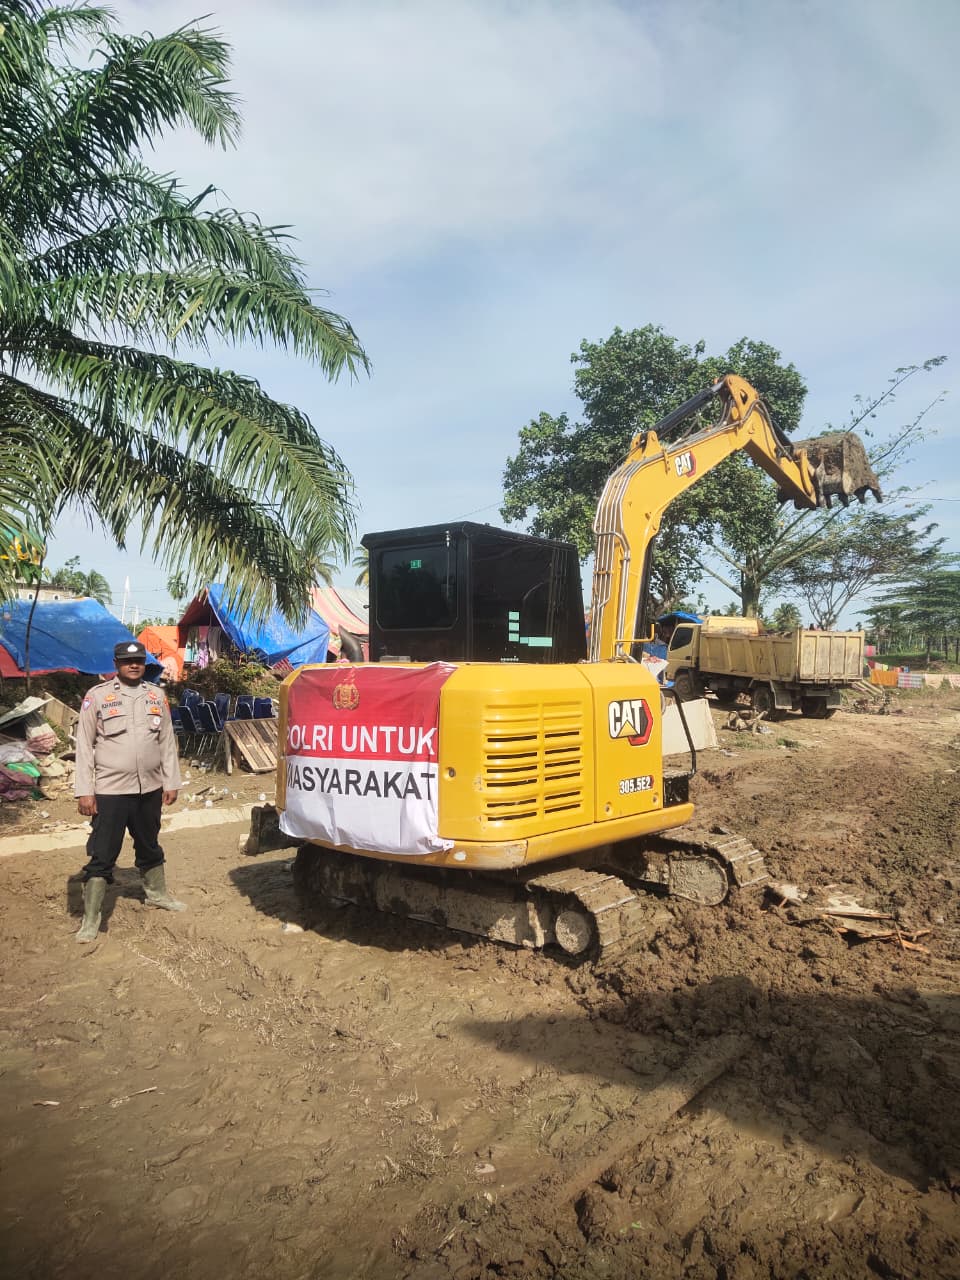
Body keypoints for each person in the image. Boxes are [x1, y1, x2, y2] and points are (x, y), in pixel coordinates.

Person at [74, 640, 186, 942]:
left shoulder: (156, 695)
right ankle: (91, 919)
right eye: (127, 661)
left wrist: (171, 781)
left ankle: (156, 894)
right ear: (116, 664)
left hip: (149, 788)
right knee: (102, 853)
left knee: (149, 843)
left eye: (138, 661)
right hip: (110, 790)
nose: (133, 665)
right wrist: (85, 790)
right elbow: (84, 746)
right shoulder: (97, 697)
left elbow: (166, 741)